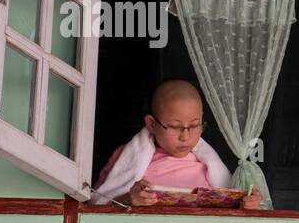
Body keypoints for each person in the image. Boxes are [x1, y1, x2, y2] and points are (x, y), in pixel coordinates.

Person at [90, 79, 263, 209]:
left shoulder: (210, 167)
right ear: (151, 124)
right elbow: (93, 208)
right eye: (174, 127)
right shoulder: (126, 157)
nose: (185, 136)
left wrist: (245, 207)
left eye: (195, 125)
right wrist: (127, 200)